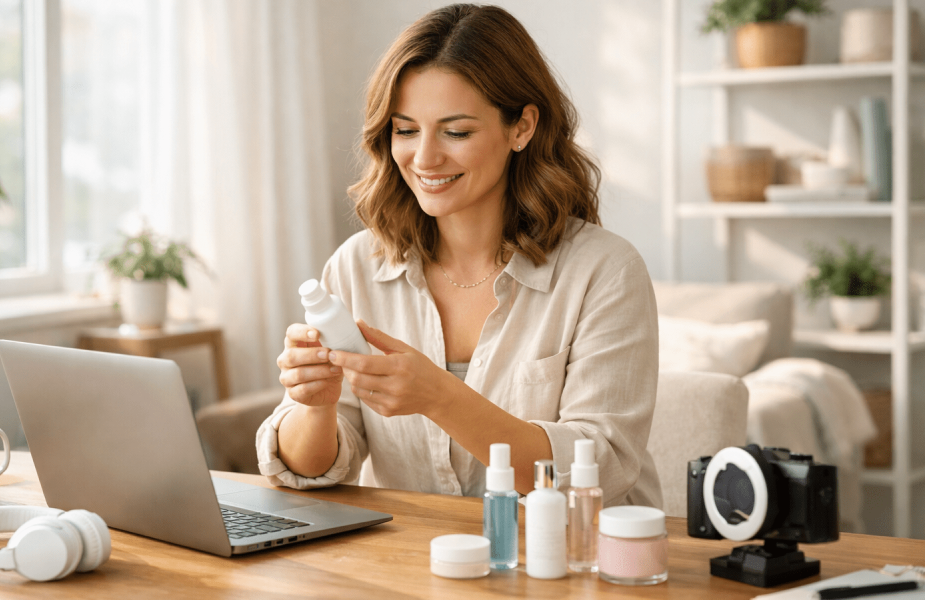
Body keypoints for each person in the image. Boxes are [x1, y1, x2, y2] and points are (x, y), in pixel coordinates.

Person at [256, 3, 661, 506]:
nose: (424, 158)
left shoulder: (604, 272)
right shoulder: (356, 267)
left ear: (522, 128)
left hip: (567, 563)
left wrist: (440, 397)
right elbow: (310, 469)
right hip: (409, 568)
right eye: (405, 130)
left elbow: (600, 466)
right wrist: (314, 405)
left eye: (456, 131)